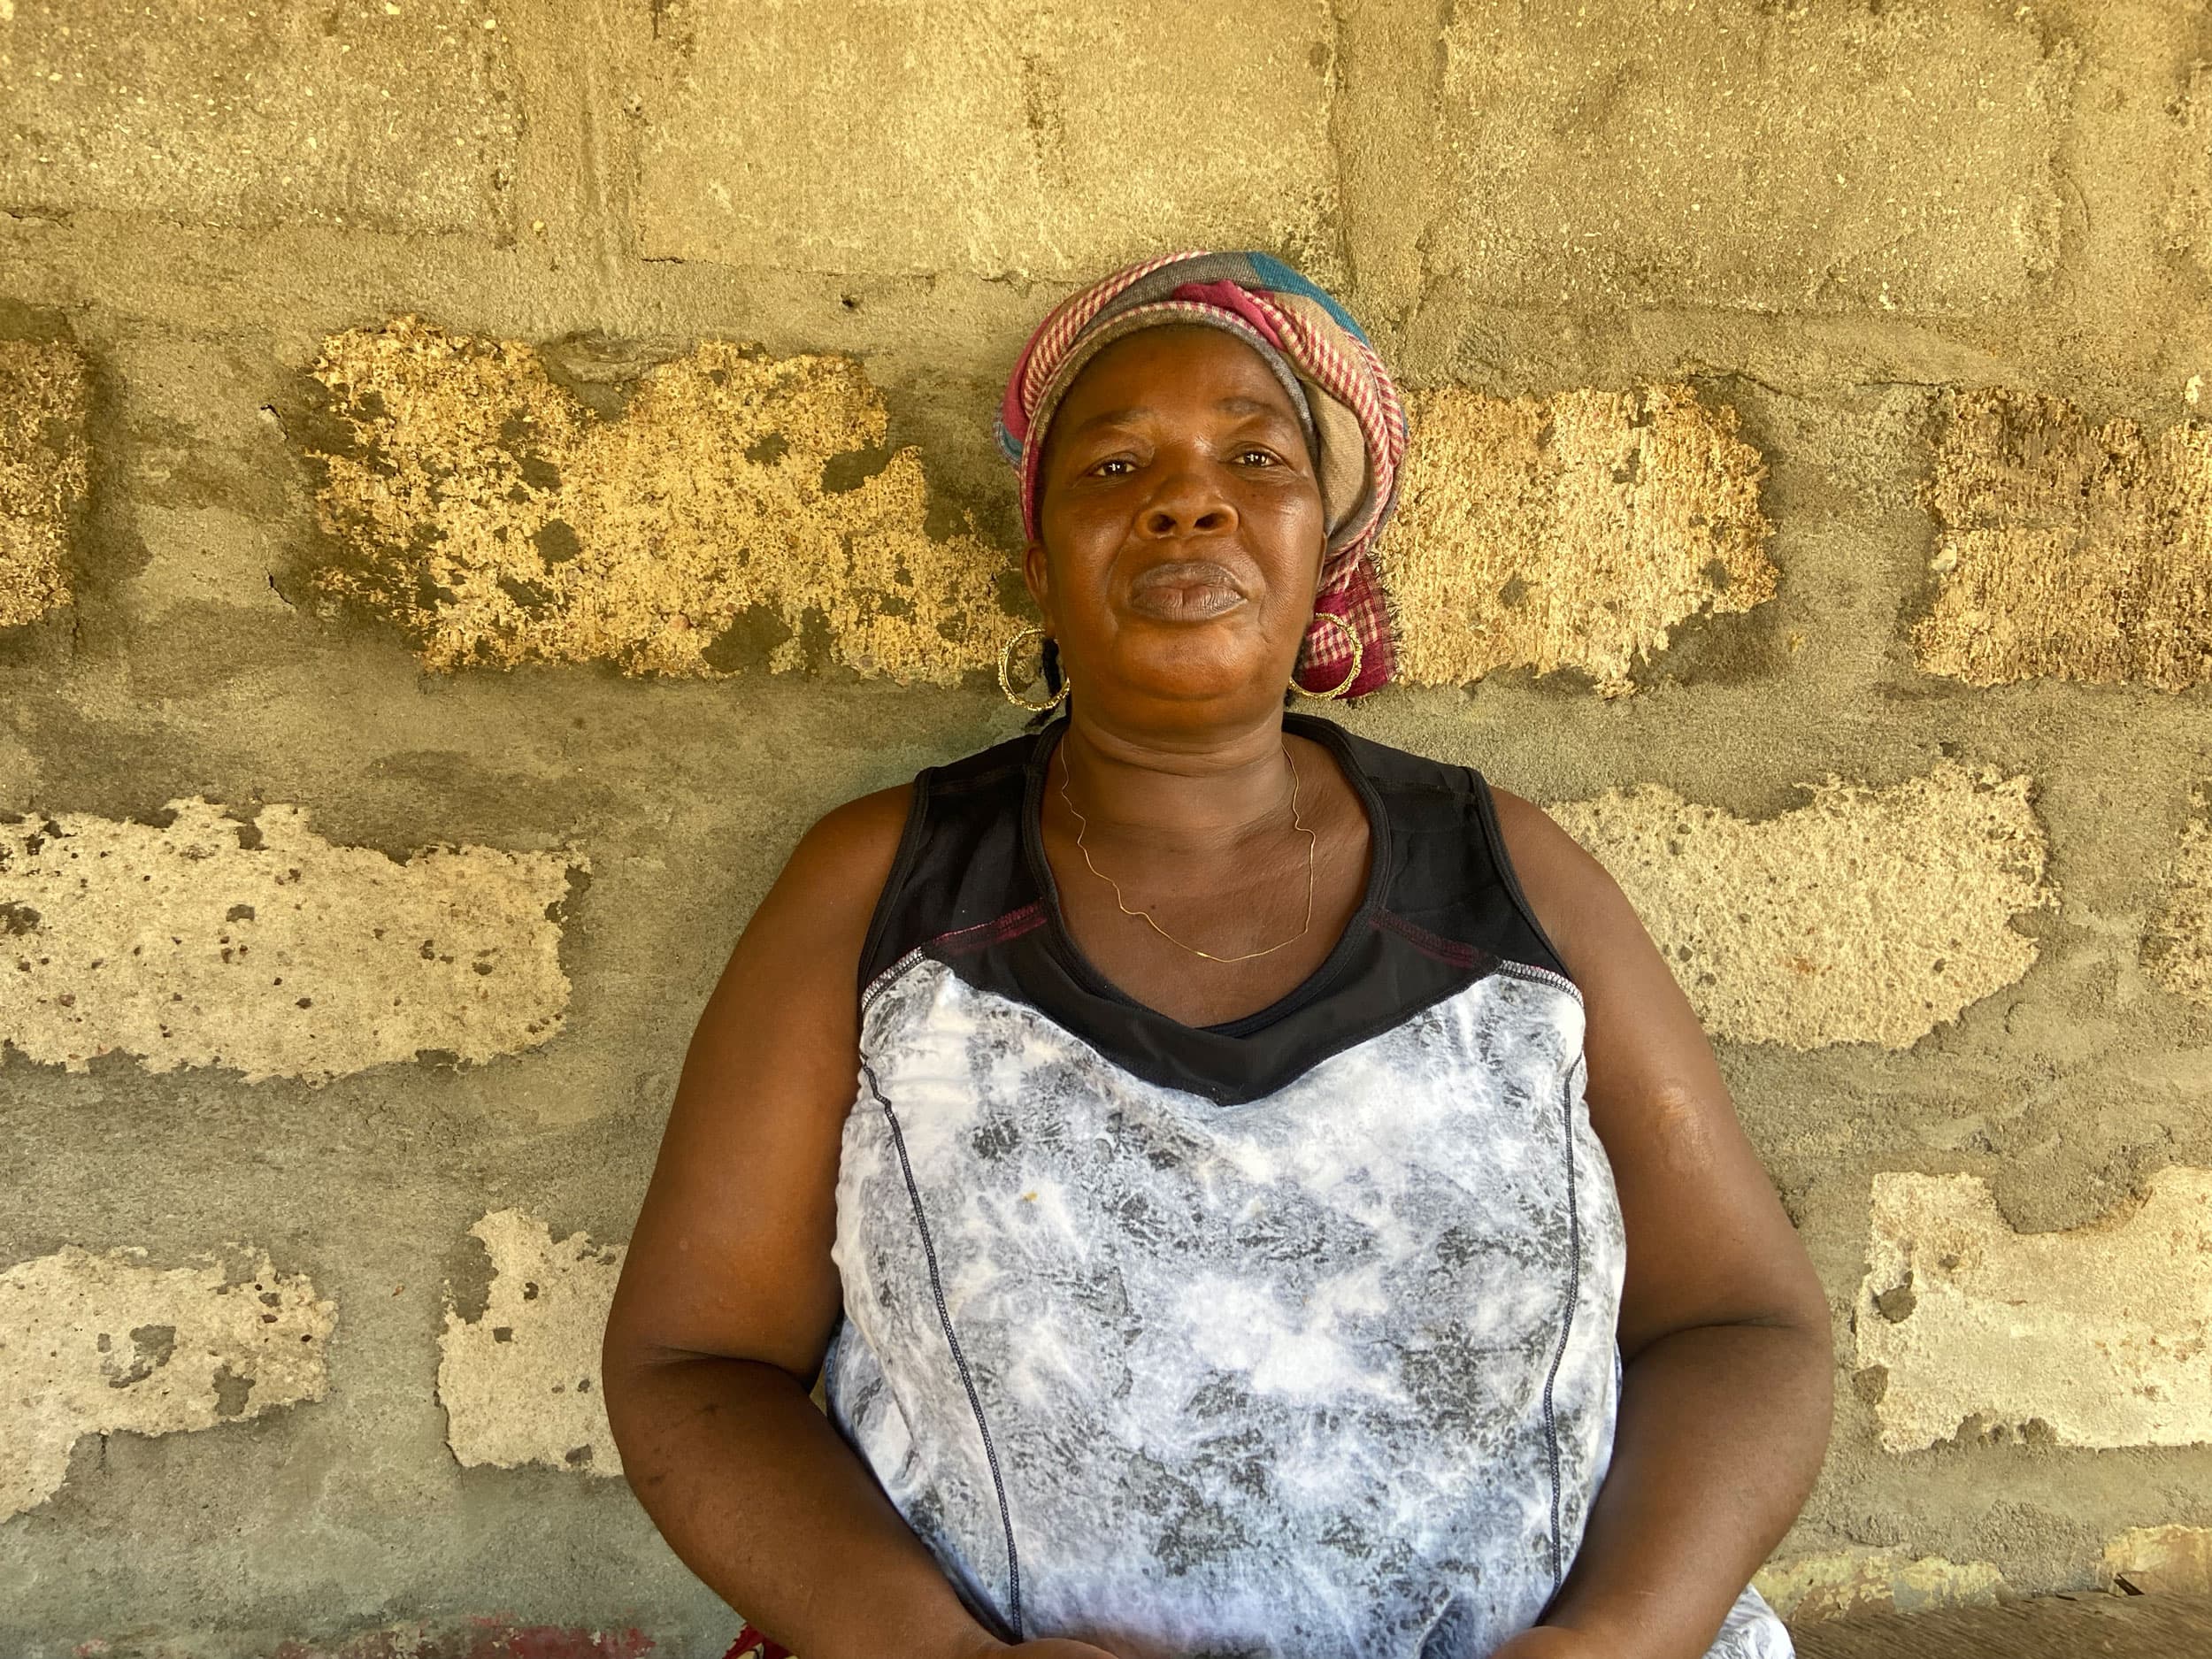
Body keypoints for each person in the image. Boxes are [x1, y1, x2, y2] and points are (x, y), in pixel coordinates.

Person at [601, 251, 1833, 1659]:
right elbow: (693, 1365)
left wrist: (1614, 1641)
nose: (1189, 499)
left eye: (1255, 455)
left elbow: (1743, 1324)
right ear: (1036, 563)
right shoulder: (887, 893)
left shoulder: (1506, 884)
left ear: (1328, 546)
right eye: (1116, 468)